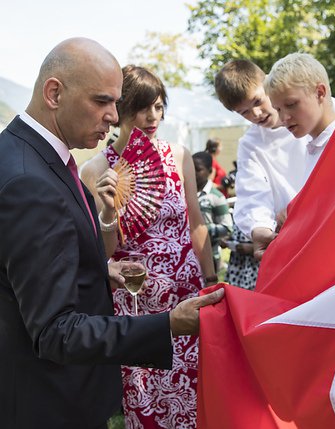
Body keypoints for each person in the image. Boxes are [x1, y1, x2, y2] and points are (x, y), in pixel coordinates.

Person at [0, 38, 224, 429]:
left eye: (116, 103)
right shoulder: (29, 180)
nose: (111, 115)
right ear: (54, 93)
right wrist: (167, 323)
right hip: (48, 400)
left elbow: (21, 266)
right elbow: (56, 331)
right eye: (102, 101)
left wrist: (96, 270)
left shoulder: (23, 153)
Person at [80, 65, 218, 429]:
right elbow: (101, 252)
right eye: (143, 107)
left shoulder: (179, 155)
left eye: (159, 106)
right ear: (121, 108)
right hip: (137, 304)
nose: (152, 116)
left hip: (186, 292)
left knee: (197, 395)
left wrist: (210, 277)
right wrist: (110, 210)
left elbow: (196, 221)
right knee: (146, 402)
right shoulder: (96, 170)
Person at [214, 59, 335, 261]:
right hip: (299, 235)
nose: (256, 114)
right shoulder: (251, 144)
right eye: (244, 112)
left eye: (257, 101)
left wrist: (302, 204)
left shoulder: (326, 109)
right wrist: (260, 228)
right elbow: (252, 193)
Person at [264, 52, 335, 183]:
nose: (284, 118)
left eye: (291, 104)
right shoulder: (313, 150)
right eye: (278, 109)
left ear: (319, 93)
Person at [192, 151, 233, 273]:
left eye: (198, 170)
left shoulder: (215, 196)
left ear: (210, 172)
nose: (193, 173)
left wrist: (201, 230)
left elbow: (227, 228)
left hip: (210, 257)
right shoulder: (186, 193)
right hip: (189, 256)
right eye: (191, 168)